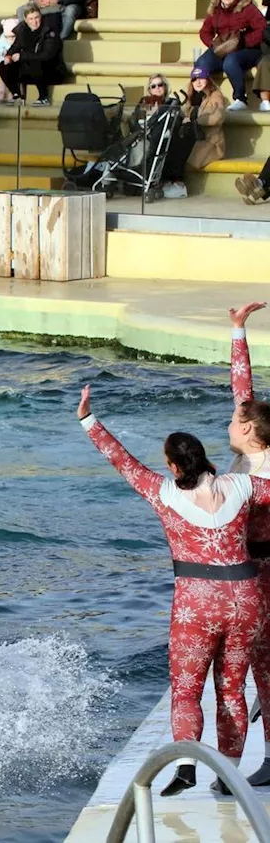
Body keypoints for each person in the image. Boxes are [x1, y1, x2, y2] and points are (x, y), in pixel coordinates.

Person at [78, 383, 269, 798]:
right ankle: (229, 776)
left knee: (186, 689)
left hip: (197, 603)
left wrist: (88, 420)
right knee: (232, 689)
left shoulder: (161, 492)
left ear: (173, 466)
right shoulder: (244, 486)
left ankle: (186, 767)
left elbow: (122, 462)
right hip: (246, 598)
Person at [227, 301, 270, 788]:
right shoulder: (251, 460)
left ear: (250, 431)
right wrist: (238, 331)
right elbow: (244, 393)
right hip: (250, 574)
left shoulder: (261, 475)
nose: (229, 423)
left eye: (237, 421)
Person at [161, 67, 227, 199]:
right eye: (194, 79)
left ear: (208, 80)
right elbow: (184, 113)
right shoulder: (190, 96)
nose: (198, 82)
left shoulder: (216, 96)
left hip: (210, 141)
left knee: (181, 144)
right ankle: (169, 181)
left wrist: (195, 120)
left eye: (201, 78)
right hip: (194, 136)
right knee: (172, 141)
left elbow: (218, 117)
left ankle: (179, 185)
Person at [196, 0, 264, 111]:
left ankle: (240, 98)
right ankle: (204, 98)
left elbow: (262, 30)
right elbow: (204, 32)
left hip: (247, 48)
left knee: (230, 61)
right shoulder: (215, 9)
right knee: (201, 63)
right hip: (223, 47)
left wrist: (244, 41)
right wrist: (213, 44)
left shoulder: (248, 9)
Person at [0, 3, 66, 106]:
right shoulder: (23, 30)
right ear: (25, 20)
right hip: (30, 69)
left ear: (40, 17)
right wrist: (8, 55)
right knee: (4, 66)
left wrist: (22, 56)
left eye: (37, 17)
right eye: (31, 19)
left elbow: (47, 55)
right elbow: (15, 47)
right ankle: (16, 95)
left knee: (36, 62)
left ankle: (44, 97)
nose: (34, 22)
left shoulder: (49, 31)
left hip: (52, 70)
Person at [16, 0, 87, 41]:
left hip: (68, 3)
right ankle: (28, 38)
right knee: (21, 10)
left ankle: (60, 39)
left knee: (70, 11)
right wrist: (39, 1)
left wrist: (58, 0)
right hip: (46, 5)